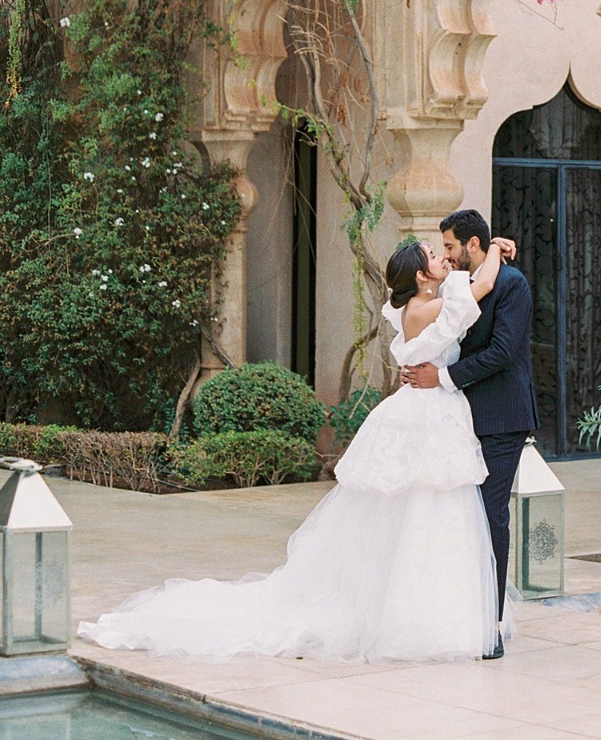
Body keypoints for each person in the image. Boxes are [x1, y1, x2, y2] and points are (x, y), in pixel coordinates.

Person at [78, 235, 513, 662]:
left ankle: (428, 609)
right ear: (421, 277)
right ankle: (420, 617)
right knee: (427, 502)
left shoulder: (412, 306)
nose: (442, 259)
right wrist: (495, 248)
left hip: (429, 409)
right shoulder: (426, 307)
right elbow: (484, 286)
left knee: (429, 507)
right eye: (434, 257)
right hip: (426, 414)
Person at [400, 206, 539, 657]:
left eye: (451, 246)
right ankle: (456, 615)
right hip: (457, 421)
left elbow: (501, 353)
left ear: (471, 246)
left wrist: (439, 378)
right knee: (456, 518)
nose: (448, 255)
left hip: (501, 419)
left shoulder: (513, 284)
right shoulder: (459, 284)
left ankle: (491, 626)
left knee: (490, 516)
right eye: (442, 249)